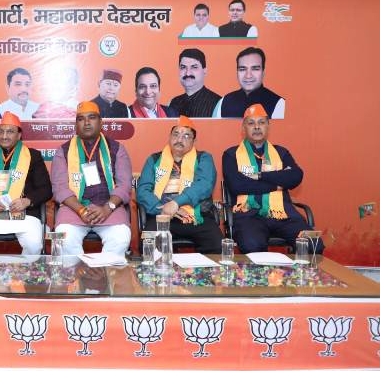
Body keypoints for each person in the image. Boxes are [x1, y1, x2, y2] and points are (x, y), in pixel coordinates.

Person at [222, 104, 324, 254]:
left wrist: (261, 176)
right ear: (243, 128)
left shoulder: (281, 152)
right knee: (252, 245)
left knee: (314, 244)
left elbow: (296, 176)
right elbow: (237, 186)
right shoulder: (231, 155)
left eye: (261, 122)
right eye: (251, 123)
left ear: (268, 126)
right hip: (248, 215)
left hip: (283, 214)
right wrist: (277, 184)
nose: (257, 127)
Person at [51, 101, 132, 257]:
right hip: (74, 208)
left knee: (120, 237)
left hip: (109, 207)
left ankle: (104, 271)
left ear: (101, 123)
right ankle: (79, 271)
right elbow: (60, 188)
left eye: (92, 117)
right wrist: (81, 210)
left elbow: (124, 185)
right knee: (63, 237)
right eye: (81, 119)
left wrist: (107, 208)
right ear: (76, 125)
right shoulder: (63, 151)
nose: (86, 123)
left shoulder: (117, 148)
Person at [0, 112, 52, 254]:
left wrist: (27, 201)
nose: (4, 136)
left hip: (24, 215)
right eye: (1, 131)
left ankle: (26, 268)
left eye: (10, 132)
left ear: (19, 135)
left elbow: (46, 189)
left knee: (34, 245)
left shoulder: (33, 156)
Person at [137, 116, 223, 253]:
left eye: (186, 136)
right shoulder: (154, 160)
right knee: (147, 245)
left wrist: (176, 203)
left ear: (194, 141)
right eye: (176, 134)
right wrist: (164, 209)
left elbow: (204, 185)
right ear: (169, 137)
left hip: (196, 216)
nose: (179, 139)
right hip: (161, 216)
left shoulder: (203, 158)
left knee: (217, 245)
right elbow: (143, 191)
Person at [214, 47, 285, 119]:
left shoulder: (279, 104)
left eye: (255, 69)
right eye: (242, 69)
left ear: (263, 72)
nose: (248, 76)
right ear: (237, 73)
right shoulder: (224, 102)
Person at [169, 49, 221, 118]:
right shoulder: (174, 103)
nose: (188, 73)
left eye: (194, 67)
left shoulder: (217, 103)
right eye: (183, 67)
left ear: (205, 71)